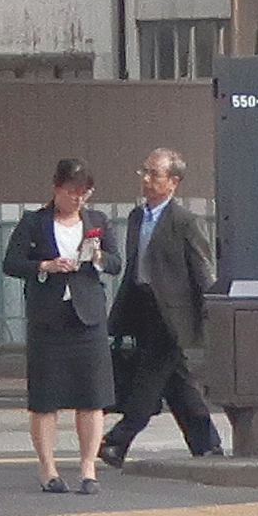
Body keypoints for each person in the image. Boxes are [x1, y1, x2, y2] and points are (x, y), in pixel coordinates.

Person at [0, 160, 120, 497]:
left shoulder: (97, 222)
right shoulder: (34, 223)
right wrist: (45, 265)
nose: (78, 200)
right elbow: (11, 263)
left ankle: (88, 467)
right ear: (56, 189)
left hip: (88, 315)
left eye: (84, 194)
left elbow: (115, 262)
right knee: (45, 397)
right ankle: (47, 467)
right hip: (48, 317)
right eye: (72, 193)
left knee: (92, 397)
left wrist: (97, 258)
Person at [99, 149, 225, 467]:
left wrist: (209, 316)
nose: (145, 179)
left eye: (153, 173)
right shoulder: (137, 217)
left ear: (173, 182)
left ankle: (117, 441)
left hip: (173, 316)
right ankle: (207, 445)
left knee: (150, 380)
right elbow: (133, 269)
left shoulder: (185, 222)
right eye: (144, 171)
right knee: (178, 382)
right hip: (142, 309)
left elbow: (203, 272)